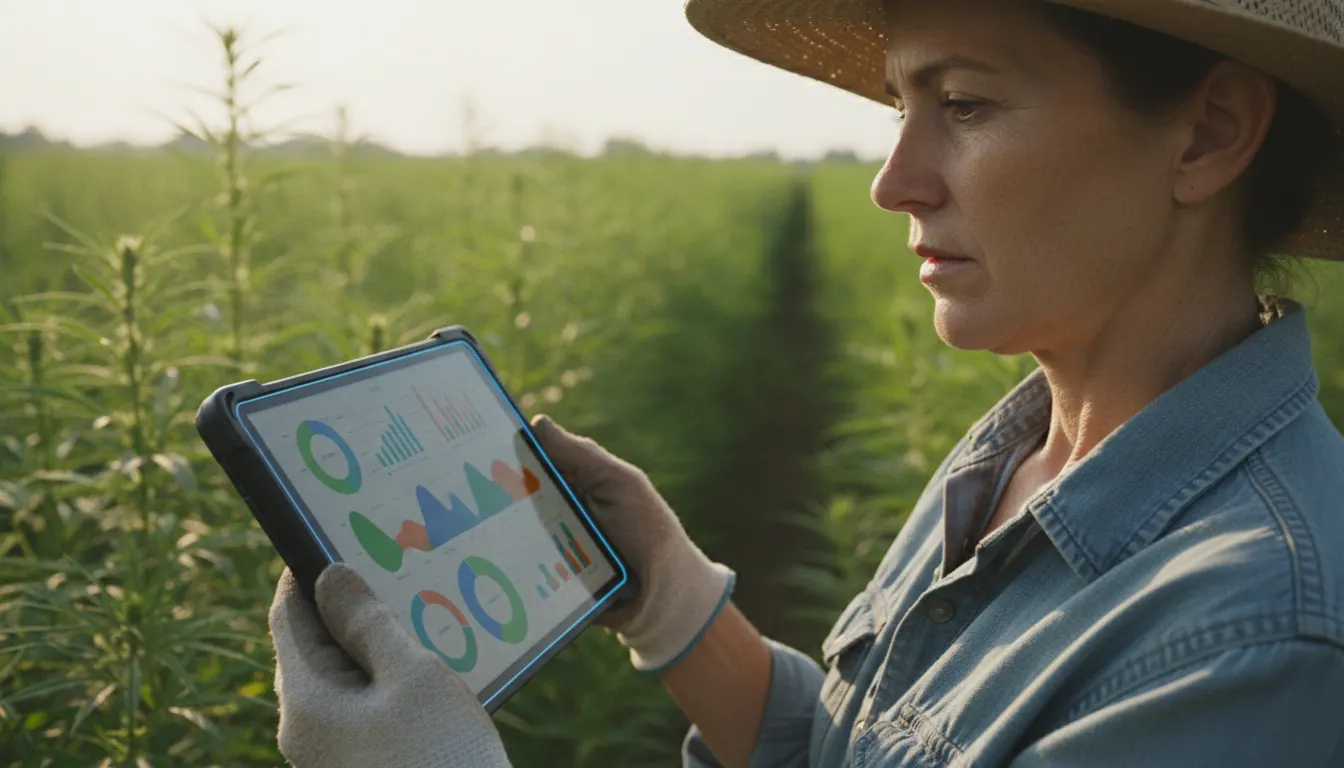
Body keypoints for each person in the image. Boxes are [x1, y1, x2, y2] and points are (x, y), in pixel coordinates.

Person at [266, 0, 1344, 765]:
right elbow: (861, 747)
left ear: (1210, 134)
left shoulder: (1255, 638)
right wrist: (673, 601)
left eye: (964, 104)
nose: (894, 181)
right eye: (898, 108)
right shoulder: (1025, 457)